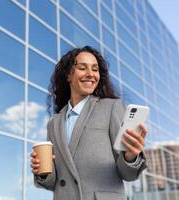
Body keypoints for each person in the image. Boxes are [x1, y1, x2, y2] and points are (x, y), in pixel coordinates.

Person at [30, 46, 147, 200]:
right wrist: (42, 171)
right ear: (68, 75)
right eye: (82, 68)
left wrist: (130, 156)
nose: (90, 74)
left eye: (95, 69)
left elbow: (128, 174)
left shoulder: (111, 107)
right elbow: (54, 183)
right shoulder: (54, 123)